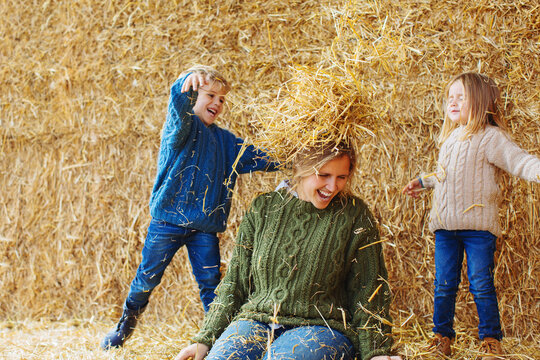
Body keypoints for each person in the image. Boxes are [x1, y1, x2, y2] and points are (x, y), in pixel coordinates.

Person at [101, 65, 279, 350]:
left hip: (204, 228)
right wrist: (185, 83)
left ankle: (219, 338)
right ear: (194, 95)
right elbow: (178, 106)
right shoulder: (182, 128)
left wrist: (298, 151)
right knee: (147, 277)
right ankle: (125, 326)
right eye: (210, 95)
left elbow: (261, 157)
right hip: (167, 221)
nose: (217, 104)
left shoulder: (227, 142)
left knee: (211, 284)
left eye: (222, 99)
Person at [175, 143, 402, 360]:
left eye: (341, 177)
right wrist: (205, 339)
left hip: (322, 327)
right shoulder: (263, 208)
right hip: (255, 320)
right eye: (323, 175)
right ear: (301, 167)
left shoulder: (355, 215)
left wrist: (376, 350)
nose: (333, 186)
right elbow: (235, 284)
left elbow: (370, 290)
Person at [402, 72, 540, 359]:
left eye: (460, 97)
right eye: (449, 97)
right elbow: (444, 175)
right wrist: (422, 181)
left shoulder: (491, 138)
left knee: (480, 283)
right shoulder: (450, 138)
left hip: (478, 229)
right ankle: (441, 337)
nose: (452, 102)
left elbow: (519, 161)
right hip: (446, 228)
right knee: (444, 284)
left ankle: (491, 339)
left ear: (479, 101)